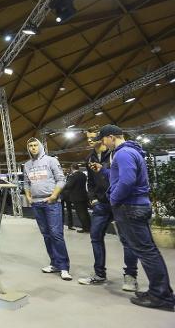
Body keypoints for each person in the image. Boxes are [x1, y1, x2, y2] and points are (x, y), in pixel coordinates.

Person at [90, 124, 174, 311]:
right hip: (137, 205)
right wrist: (104, 171)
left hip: (130, 207)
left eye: (103, 139)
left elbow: (127, 181)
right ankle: (160, 291)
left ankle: (160, 295)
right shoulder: (132, 151)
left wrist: (113, 198)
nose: (103, 143)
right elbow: (121, 176)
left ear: (111, 137)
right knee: (148, 250)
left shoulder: (123, 153)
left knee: (146, 251)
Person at [78, 130, 139, 291]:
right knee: (95, 236)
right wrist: (93, 199)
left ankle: (131, 276)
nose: (91, 141)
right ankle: (99, 274)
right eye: (88, 138)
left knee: (127, 240)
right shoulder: (89, 158)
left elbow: (125, 178)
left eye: (94, 138)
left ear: (103, 138)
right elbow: (90, 182)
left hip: (119, 202)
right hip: (101, 204)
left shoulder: (116, 154)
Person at [24, 137, 72, 281]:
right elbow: (26, 183)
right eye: (30, 146)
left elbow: (61, 179)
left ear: (40, 146)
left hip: (51, 203)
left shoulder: (51, 160)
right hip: (37, 204)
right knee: (46, 234)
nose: (33, 148)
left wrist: (53, 196)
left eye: (35, 145)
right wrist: (28, 197)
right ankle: (54, 263)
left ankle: (64, 267)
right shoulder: (26, 165)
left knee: (56, 234)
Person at [62, 164, 90, 232]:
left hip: (76, 197)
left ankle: (85, 228)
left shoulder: (73, 176)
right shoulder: (83, 175)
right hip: (84, 195)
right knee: (85, 212)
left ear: (72, 168)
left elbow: (69, 185)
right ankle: (89, 226)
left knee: (81, 213)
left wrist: (63, 187)